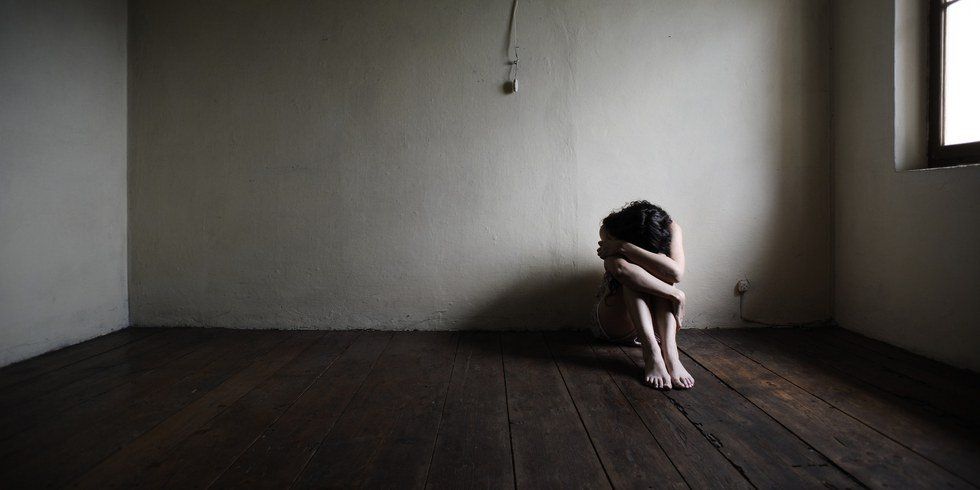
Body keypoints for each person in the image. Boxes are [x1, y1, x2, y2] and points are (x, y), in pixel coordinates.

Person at [591, 201, 694, 389]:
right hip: (616, 320)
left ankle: (671, 355)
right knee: (633, 279)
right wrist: (675, 294)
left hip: (656, 327)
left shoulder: (671, 228)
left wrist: (624, 247)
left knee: (663, 274)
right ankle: (652, 354)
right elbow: (619, 268)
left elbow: (675, 273)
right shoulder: (611, 228)